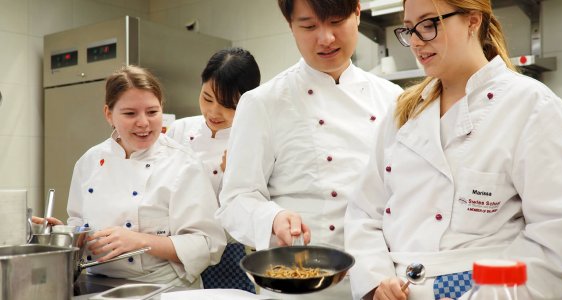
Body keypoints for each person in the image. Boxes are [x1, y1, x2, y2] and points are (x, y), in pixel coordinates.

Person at [344, 0, 562, 299]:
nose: (416, 41)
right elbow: (365, 212)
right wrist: (377, 281)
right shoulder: (403, 112)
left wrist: (489, 293)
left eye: (429, 24)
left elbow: (561, 233)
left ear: (472, 21)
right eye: (409, 29)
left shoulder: (531, 106)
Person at [215, 0, 403, 299]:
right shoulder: (263, 103)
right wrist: (272, 218)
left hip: (381, 282)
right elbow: (236, 199)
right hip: (300, 284)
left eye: (337, 21)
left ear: (357, 13)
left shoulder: (394, 99)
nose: (325, 38)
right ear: (291, 26)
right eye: (309, 26)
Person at [37, 65, 227, 288]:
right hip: (93, 284)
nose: (144, 123)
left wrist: (139, 241)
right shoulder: (89, 161)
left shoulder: (183, 164)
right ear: (109, 114)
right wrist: (62, 234)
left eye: (152, 112)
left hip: (162, 288)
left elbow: (206, 244)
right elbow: (80, 226)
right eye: (130, 113)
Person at [166, 47, 261, 292]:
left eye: (229, 105)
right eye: (207, 98)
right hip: (177, 252)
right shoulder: (177, 131)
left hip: (232, 255)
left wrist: (235, 177)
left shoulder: (256, 139)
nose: (214, 112)